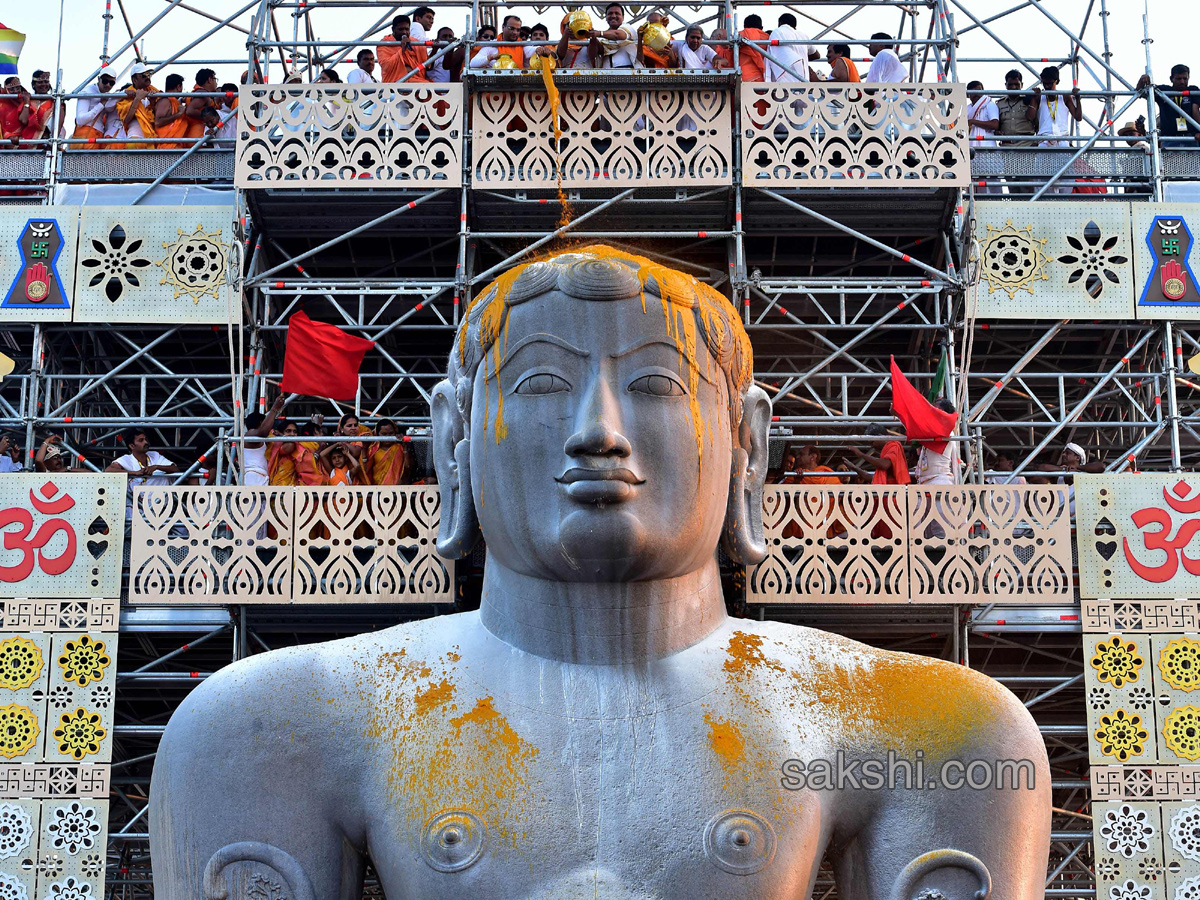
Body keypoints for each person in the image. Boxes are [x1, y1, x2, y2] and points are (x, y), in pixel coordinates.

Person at [106, 427, 180, 519]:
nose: (146, 442)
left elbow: (175, 469)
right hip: (138, 509)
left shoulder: (155, 455)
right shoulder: (127, 459)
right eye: (141, 440)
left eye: (145, 439)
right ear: (132, 446)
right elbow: (109, 470)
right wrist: (134, 473)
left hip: (162, 508)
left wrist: (156, 467)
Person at [1137, 65, 1200, 147]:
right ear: (1171, 79)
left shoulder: (1193, 90)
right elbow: (1139, 93)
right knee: (1169, 160)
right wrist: (1142, 80)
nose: (1182, 82)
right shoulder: (1163, 90)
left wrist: (1199, 130)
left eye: (1185, 78)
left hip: (1191, 138)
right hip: (1169, 139)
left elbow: (1195, 110)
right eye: (1178, 78)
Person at [1026, 65, 1082, 147]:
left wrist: (1077, 99)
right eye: (1044, 83)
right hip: (1044, 140)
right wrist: (1033, 98)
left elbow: (1078, 117)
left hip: (1062, 139)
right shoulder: (1039, 97)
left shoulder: (1064, 96)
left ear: (1057, 81)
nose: (1047, 86)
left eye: (1050, 83)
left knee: (1065, 156)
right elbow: (1029, 117)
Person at [915, 398, 961, 485]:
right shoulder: (931, 431)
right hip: (926, 482)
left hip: (940, 481)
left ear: (943, 414)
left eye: (935, 410)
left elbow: (915, 428)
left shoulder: (945, 431)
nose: (932, 413)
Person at [267, 417, 325, 486]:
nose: (292, 434)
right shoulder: (278, 446)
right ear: (281, 432)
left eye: (295, 432)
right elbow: (290, 446)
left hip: (293, 488)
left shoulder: (299, 446)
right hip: (278, 486)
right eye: (288, 431)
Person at [116, 63, 159, 149]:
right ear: (134, 80)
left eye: (149, 74)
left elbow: (157, 118)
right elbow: (126, 119)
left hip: (150, 140)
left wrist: (153, 102)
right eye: (144, 75)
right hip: (135, 138)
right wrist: (137, 99)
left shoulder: (154, 92)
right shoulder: (126, 95)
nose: (147, 77)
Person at [766, 14, 818, 83]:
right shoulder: (803, 35)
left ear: (780, 23)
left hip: (786, 80)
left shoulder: (777, 32)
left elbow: (774, 55)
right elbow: (816, 55)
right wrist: (803, 58)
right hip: (803, 80)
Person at [71, 73, 117, 148]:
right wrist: (101, 105)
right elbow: (80, 120)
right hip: (85, 136)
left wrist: (123, 92)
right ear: (99, 79)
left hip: (99, 136)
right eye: (105, 81)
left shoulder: (107, 95)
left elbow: (110, 107)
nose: (108, 85)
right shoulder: (87, 92)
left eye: (111, 83)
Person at [1, 76, 50, 146]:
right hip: (9, 143)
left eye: (17, 88)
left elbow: (25, 121)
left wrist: (26, 101)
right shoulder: (2, 105)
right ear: (6, 90)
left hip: (27, 140)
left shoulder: (27, 100)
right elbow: (2, 127)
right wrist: (9, 135)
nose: (15, 91)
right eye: (11, 89)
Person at [379, 15, 430, 82]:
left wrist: (435, 49)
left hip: (417, 82)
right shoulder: (385, 44)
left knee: (436, 89)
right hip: (394, 84)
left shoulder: (416, 42)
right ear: (393, 29)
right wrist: (402, 50)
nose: (404, 32)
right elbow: (387, 66)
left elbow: (427, 65)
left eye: (406, 29)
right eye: (401, 29)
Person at [588, 3, 636, 70]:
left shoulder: (628, 28)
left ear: (623, 17)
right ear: (606, 17)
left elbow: (618, 35)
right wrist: (592, 37)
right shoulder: (602, 37)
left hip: (627, 73)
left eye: (617, 13)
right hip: (606, 75)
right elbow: (592, 55)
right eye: (610, 13)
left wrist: (598, 33)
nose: (613, 16)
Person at [366, 419, 408, 485]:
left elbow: (408, 467)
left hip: (397, 489)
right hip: (377, 488)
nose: (388, 437)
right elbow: (366, 470)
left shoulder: (399, 447)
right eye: (384, 434)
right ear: (377, 434)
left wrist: (405, 447)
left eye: (391, 433)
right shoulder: (372, 450)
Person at [153, 73, 189, 149]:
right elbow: (158, 122)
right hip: (166, 148)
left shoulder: (174, 101)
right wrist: (178, 114)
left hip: (175, 146)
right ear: (179, 87)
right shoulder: (165, 101)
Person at [182, 68, 217, 143]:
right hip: (198, 135)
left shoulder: (199, 92)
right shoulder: (203, 94)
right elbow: (190, 111)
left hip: (193, 133)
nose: (216, 83)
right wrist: (209, 118)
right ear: (210, 80)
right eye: (215, 79)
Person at [733, 15, 768, 82]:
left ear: (745, 27)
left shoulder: (739, 36)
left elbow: (728, 54)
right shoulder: (767, 39)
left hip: (743, 77)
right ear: (761, 28)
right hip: (763, 78)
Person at [966, 80, 999, 146]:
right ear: (968, 95)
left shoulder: (989, 104)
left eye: (978, 90)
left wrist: (973, 122)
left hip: (988, 145)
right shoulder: (967, 108)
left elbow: (995, 125)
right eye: (973, 91)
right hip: (971, 146)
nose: (976, 93)